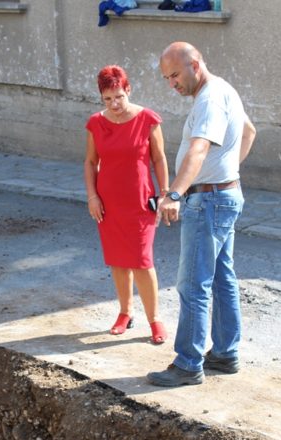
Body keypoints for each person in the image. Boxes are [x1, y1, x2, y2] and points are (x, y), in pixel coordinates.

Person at [146, 42, 256, 387]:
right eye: (167, 78)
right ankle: (225, 353)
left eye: (175, 75)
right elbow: (250, 131)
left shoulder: (209, 98)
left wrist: (175, 192)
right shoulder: (224, 89)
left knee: (193, 283)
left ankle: (188, 363)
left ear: (195, 64)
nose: (172, 83)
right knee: (221, 278)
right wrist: (225, 172)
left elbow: (199, 147)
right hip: (223, 194)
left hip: (208, 201)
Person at [84, 64, 170, 344]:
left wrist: (166, 193)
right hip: (108, 202)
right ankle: (125, 312)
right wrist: (92, 196)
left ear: (128, 90)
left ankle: (155, 320)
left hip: (140, 201)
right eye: (107, 99)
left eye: (119, 96)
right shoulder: (96, 123)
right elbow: (90, 161)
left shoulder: (147, 118)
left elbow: (158, 158)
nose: (114, 104)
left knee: (142, 261)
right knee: (118, 260)